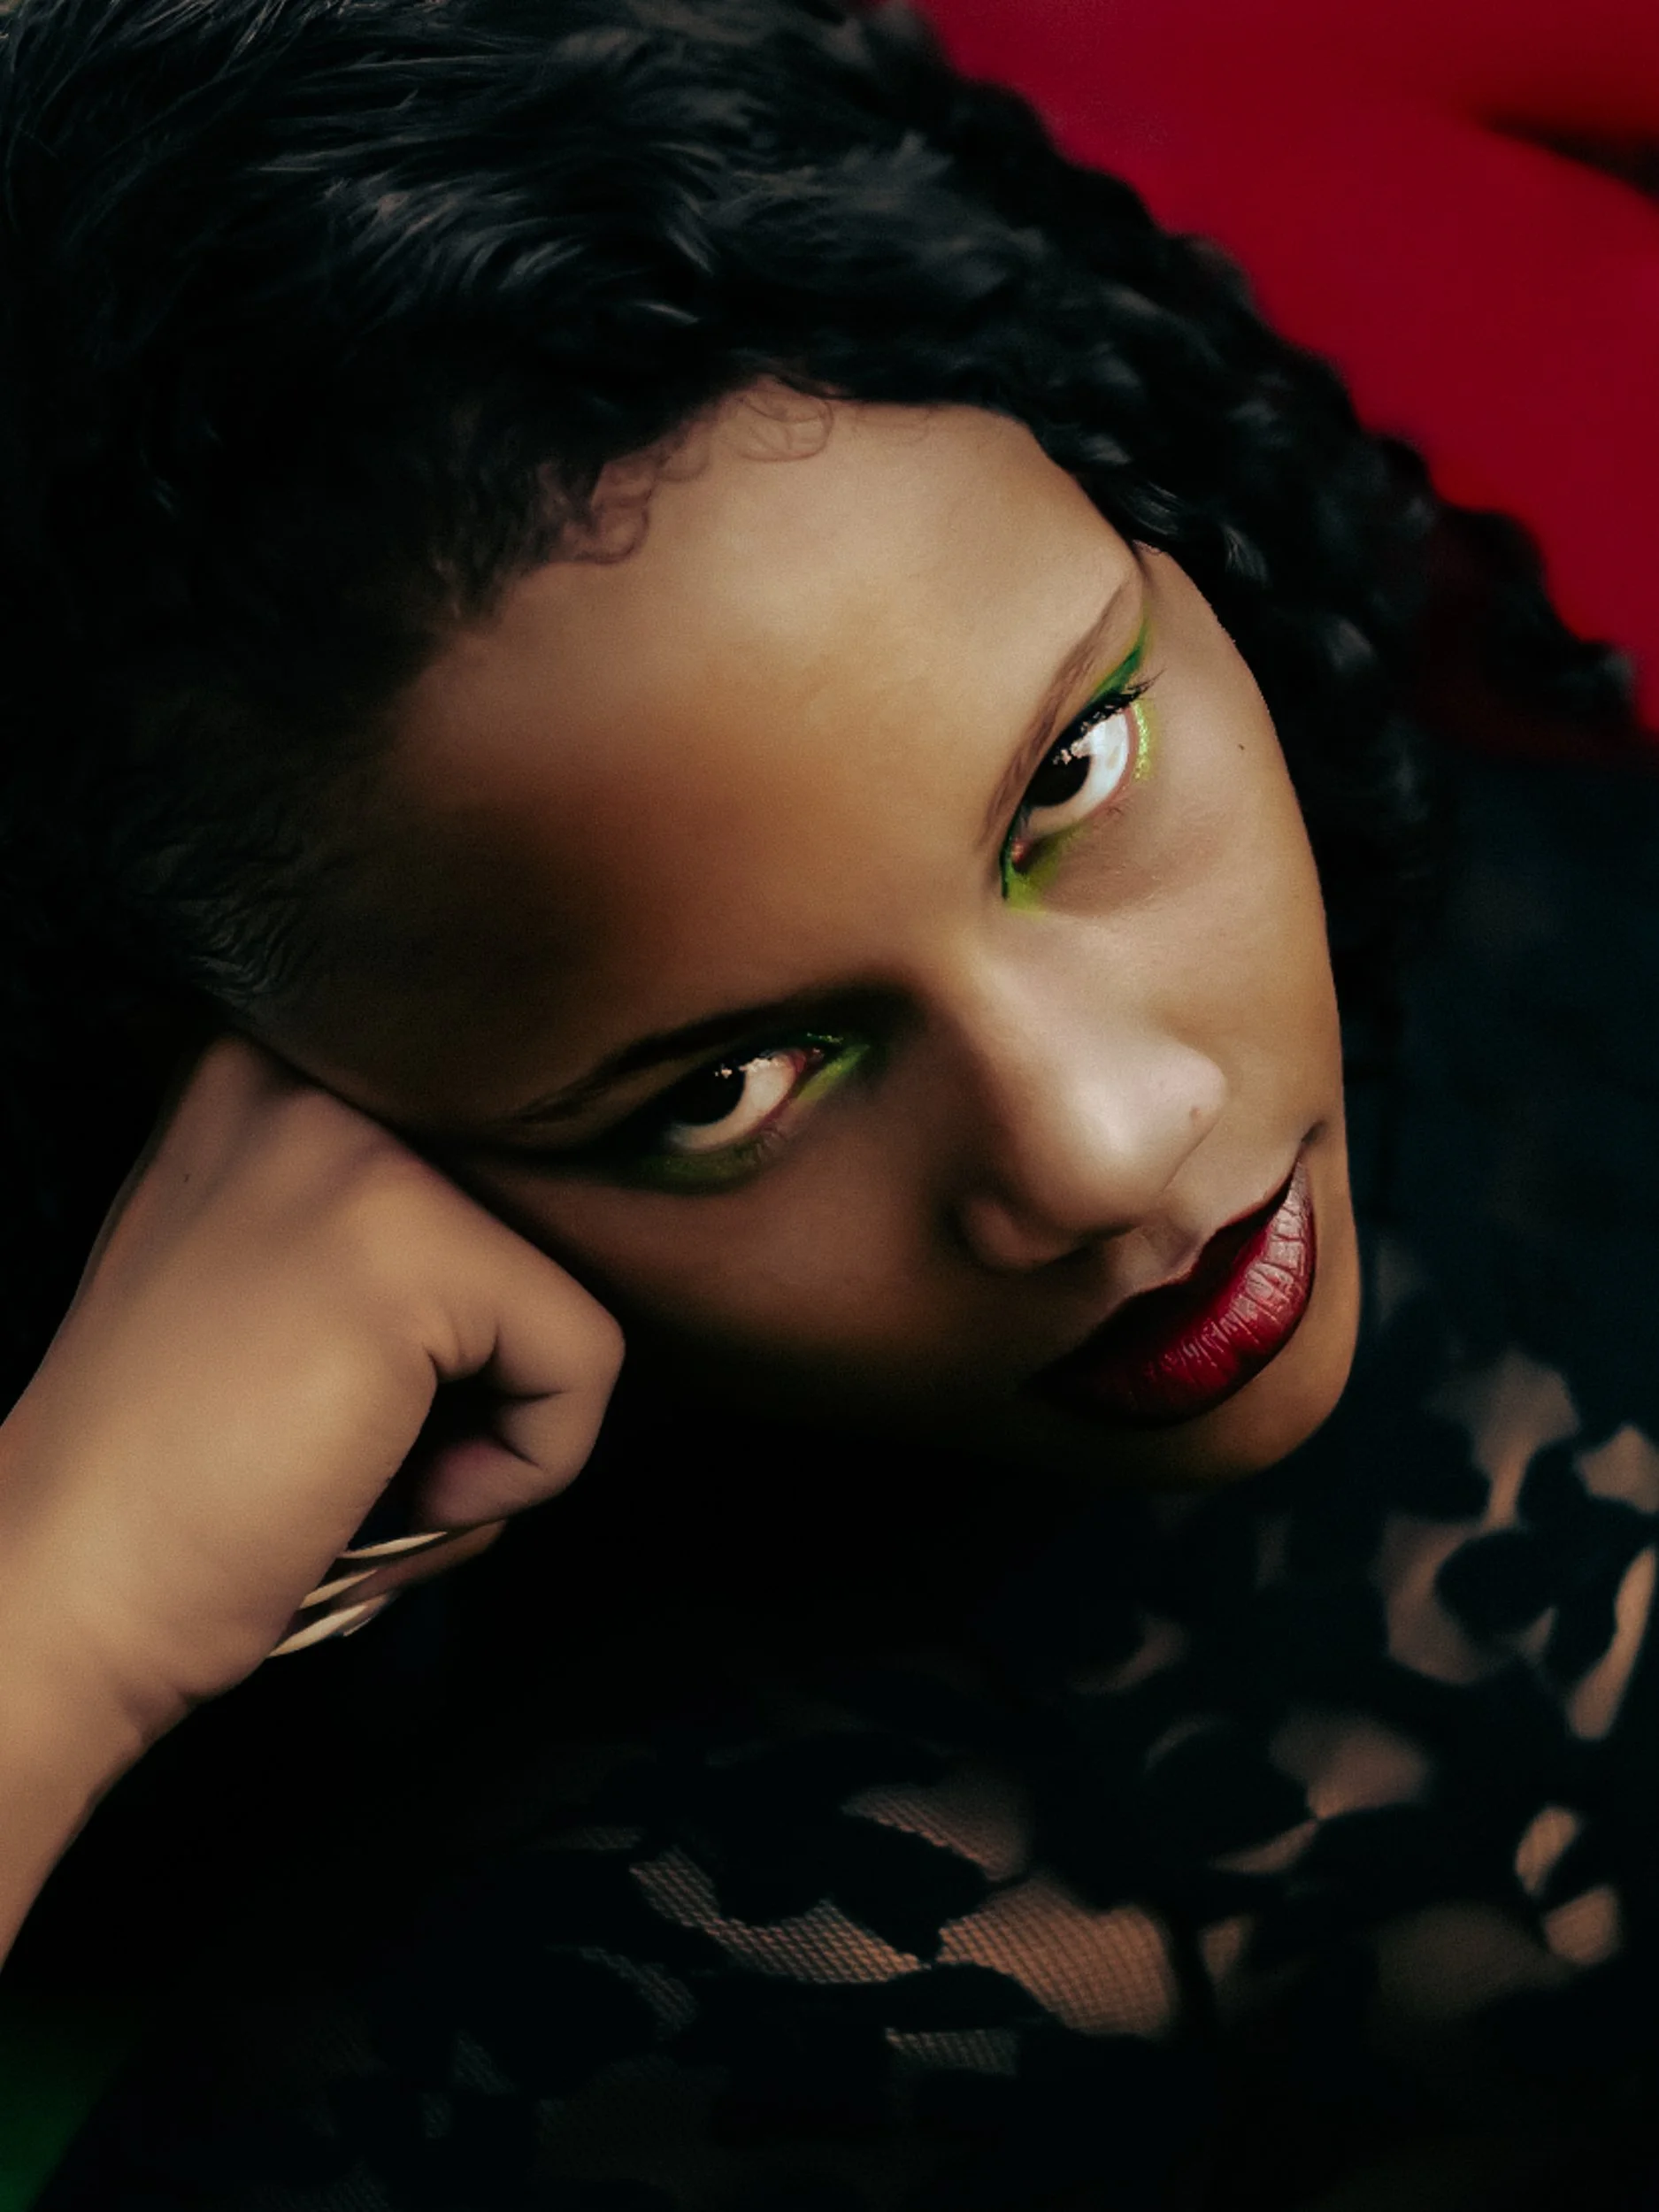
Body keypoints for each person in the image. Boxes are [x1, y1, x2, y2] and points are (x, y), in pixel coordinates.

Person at [0, 0, 1654, 2205]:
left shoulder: (1521, 815)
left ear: (1138, 487)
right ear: (298, 1156)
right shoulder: (634, 2006)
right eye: (733, 1087)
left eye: (1072, 775)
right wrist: (62, 1603)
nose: (1107, 1143)